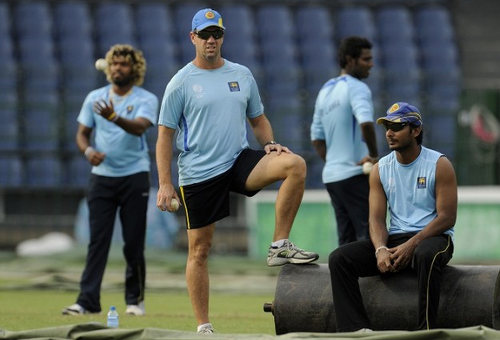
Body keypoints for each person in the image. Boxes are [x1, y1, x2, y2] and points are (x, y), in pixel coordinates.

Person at [155, 8, 319, 334]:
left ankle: (279, 245)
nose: (211, 40)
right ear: (193, 38)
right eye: (204, 35)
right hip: (199, 172)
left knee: (294, 164)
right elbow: (164, 135)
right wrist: (165, 184)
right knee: (200, 251)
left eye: (216, 33)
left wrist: (269, 141)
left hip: (238, 160)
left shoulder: (241, 74)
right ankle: (203, 325)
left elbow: (257, 119)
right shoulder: (181, 83)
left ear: (222, 36)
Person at [329, 102, 457, 331]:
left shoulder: (439, 164)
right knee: (340, 259)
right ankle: (356, 331)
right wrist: (380, 249)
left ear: (415, 131)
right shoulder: (380, 169)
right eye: (387, 126)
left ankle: (425, 331)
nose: (389, 132)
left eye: (397, 127)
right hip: (396, 240)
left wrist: (412, 244)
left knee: (426, 255)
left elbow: (447, 218)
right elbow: (376, 220)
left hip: (433, 238)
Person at [62, 44, 159, 316]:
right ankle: (87, 301)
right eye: (114, 63)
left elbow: (140, 127)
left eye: (124, 64)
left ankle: (134, 301)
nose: (118, 68)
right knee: (98, 242)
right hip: (102, 179)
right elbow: (82, 134)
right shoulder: (95, 97)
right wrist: (88, 150)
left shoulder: (146, 99)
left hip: (134, 176)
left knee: (133, 242)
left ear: (135, 69)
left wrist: (114, 116)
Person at [310, 36, 379, 246]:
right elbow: (366, 123)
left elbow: (316, 138)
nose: (371, 64)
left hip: (332, 177)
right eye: (366, 59)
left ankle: (344, 280)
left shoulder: (325, 90)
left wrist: (333, 162)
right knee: (371, 236)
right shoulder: (357, 87)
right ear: (350, 60)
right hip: (355, 174)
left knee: (346, 241)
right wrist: (375, 156)